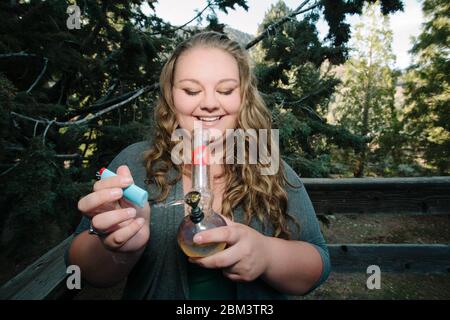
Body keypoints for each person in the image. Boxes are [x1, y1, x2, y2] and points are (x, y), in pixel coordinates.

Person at [67, 31, 330, 300]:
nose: (208, 103)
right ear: (171, 96)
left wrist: (266, 254)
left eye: (226, 90)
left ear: (244, 97)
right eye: (192, 90)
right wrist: (121, 248)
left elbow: (317, 263)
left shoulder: (268, 166)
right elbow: (84, 271)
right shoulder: (134, 164)